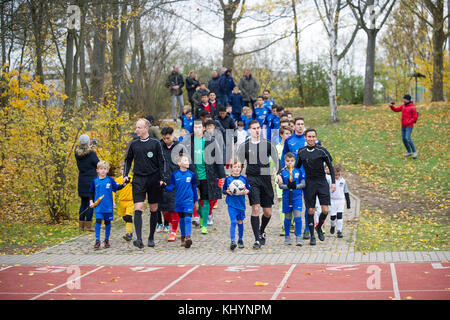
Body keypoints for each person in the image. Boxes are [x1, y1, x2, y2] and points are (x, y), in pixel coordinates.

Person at [236, 120, 280, 249]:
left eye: (258, 128)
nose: (257, 130)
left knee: (267, 212)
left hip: (265, 178)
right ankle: (256, 239)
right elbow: (239, 163)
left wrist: (278, 173)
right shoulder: (244, 146)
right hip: (252, 178)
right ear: (249, 130)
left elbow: (277, 160)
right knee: (255, 208)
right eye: (254, 128)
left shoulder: (267, 144)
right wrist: (236, 178)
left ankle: (262, 230)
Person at [123, 119, 166, 249]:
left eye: (139, 127)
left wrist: (162, 178)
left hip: (153, 179)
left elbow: (162, 161)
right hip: (138, 179)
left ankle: (151, 237)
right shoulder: (133, 144)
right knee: (138, 207)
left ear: (146, 128)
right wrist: (125, 174)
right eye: (136, 127)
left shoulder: (155, 143)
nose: (137, 130)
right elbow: (127, 160)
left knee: (153, 208)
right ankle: (139, 239)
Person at [181, 120, 225, 234]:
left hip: (207, 175)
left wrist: (222, 176)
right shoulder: (187, 142)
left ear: (204, 128)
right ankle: (202, 216)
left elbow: (218, 158)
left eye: (199, 127)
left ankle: (204, 224)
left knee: (206, 200)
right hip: (192, 175)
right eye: (195, 127)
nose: (197, 129)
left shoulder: (211, 141)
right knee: (192, 200)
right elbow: (181, 157)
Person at [294, 128, 336, 246]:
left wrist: (333, 182)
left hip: (322, 182)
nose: (311, 139)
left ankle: (319, 228)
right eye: (309, 137)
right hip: (310, 183)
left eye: (313, 137)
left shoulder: (322, 150)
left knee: (325, 210)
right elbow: (297, 167)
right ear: (305, 138)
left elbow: (330, 167)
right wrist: (290, 173)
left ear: (316, 138)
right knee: (311, 210)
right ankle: (312, 235)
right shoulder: (301, 152)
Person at [163, 154, 199, 248]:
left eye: (188, 160)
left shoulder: (191, 175)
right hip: (179, 201)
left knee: (187, 219)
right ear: (179, 163)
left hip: (189, 201)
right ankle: (183, 238)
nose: (188, 162)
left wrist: (196, 201)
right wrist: (164, 186)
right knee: (182, 220)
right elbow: (171, 188)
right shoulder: (175, 175)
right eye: (185, 160)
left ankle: (188, 237)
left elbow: (194, 188)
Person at [89, 160, 127, 249]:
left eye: (104, 169)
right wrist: (91, 202)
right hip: (98, 206)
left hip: (108, 207)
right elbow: (91, 192)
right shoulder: (95, 181)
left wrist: (125, 183)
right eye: (101, 169)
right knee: (98, 221)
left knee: (107, 223)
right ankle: (97, 240)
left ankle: (106, 239)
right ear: (97, 170)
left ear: (107, 170)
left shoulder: (110, 180)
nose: (102, 171)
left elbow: (118, 187)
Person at [159, 126, 185, 242]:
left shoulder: (180, 147)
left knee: (174, 207)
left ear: (173, 136)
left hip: (176, 180)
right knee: (164, 209)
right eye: (164, 138)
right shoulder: (159, 147)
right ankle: (175, 222)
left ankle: (173, 231)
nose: (166, 140)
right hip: (162, 180)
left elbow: (187, 162)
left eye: (168, 138)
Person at [278, 152, 305, 246]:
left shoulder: (298, 171)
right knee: (288, 217)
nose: (290, 163)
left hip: (296, 197)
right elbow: (280, 185)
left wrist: (295, 186)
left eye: (292, 161)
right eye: (288, 161)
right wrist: (287, 186)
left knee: (298, 216)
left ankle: (298, 237)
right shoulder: (283, 172)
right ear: (285, 161)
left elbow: (303, 184)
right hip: (286, 197)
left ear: (295, 161)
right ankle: (287, 236)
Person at [223, 160, 251, 250]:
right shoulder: (228, 179)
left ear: (241, 168)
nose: (237, 169)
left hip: (241, 204)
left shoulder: (244, 179)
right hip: (231, 204)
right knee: (233, 221)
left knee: (240, 222)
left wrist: (247, 191)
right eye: (235, 167)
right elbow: (223, 190)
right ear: (231, 169)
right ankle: (232, 241)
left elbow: (249, 189)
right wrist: (226, 191)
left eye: (239, 167)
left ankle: (240, 239)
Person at [75, 134, 99, 232]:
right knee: (90, 203)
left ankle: (81, 226)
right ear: (88, 142)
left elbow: (85, 152)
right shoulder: (92, 154)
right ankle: (89, 225)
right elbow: (97, 163)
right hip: (91, 181)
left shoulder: (77, 153)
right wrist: (93, 148)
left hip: (81, 181)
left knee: (83, 203)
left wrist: (91, 147)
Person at [272, 126, 292, 236]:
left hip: (293, 177)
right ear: (281, 135)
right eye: (286, 134)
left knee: (292, 201)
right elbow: (273, 163)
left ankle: (291, 222)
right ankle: (285, 226)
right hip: (280, 177)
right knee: (281, 202)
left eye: (290, 134)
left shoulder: (292, 147)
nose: (288, 136)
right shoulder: (276, 148)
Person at [389, 94, 418, 158]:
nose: (403, 100)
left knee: (408, 138)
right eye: (403, 99)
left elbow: (415, 118)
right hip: (403, 126)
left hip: (409, 126)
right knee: (404, 139)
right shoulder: (403, 106)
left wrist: (408, 122)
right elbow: (396, 109)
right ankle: (409, 152)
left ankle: (414, 152)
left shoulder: (412, 107)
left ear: (408, 100)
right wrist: (391, 106)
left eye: (404, 99)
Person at [328, 164, 351, 238]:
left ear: (341, 173)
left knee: (339, 216)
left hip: (340, 200)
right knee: (333, 217)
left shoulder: (343, 181)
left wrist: (348, 203)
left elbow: (346, 192)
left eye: (338, 174)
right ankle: (332, 225)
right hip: (332, 200)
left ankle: (339, 231)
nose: (337, 176)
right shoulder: (330, 180)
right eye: (335, 175)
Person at [115, 162, 134, 241]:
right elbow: (114, 190)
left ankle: (128, 234)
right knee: (125, 218)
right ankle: (130, 230)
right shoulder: (117, 180)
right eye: (123, 169)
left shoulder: (132, 179)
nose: (124, 171)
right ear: (120, 170)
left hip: (130, 201)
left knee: (128, 216)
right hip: (121, 202)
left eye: (126, 169)